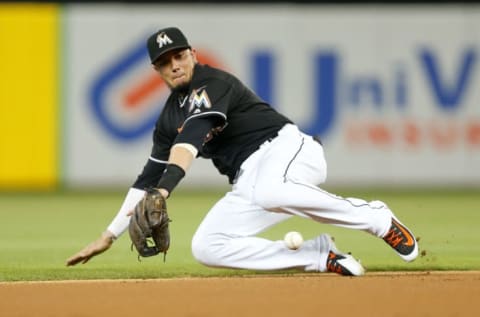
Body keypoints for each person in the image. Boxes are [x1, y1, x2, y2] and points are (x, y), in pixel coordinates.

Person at [66, 27, 418, 276]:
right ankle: (318, 256)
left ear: (193, 54)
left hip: (287, 149)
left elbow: (190, 142)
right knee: (207, 246)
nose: (174, 64)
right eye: (164, 61)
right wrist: (109, 235)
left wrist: (164, 190)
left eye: (179, 55)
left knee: (270, 190)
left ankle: (378, 219)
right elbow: (146, 181)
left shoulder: (212, 83)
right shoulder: (167, 118)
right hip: (250, 180)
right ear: (156, 70)